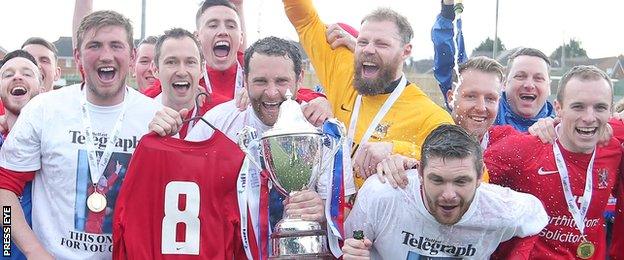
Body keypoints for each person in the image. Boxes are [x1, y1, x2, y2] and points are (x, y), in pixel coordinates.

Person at [149, 36, 355, 259]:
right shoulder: (218, 122)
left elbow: (348, 217)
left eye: (282, 81)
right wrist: (161, 139)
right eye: (260, 81)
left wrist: (324, 210)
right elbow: (180, 185)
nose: (272, 92)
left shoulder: (323, 132)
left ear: (299, 79)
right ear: (245, 81)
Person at [0, 10, 160, 259]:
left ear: (131, 57)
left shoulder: (155, 116)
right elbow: (5, 189)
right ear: (78, 57)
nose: (106, 55)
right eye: (94, 45)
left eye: (115, 45)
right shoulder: (45, 109)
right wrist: (30, 251)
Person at [282, 0, 453, 186]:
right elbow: (304, 19)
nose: (369, 50)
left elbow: (469, 170)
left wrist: (398, 150)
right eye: (363, 42)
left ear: (406, 51)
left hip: (379, 214)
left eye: (382, 44)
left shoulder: (429, 115)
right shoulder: (344, 72)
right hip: (328, 211)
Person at [342, 124, 548, 259]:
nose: (449, 194)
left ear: (480, 177)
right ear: (420, 172)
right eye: (437, 180)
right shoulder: (383, 194)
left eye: (461, 181)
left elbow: (537, 214)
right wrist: (352, 254)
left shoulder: (500, 207)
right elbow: (352, 245)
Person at [485, 65, 621, 259]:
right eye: (578, 106)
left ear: (610, 111)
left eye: (600, 107)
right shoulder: (524, 148)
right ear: (558, 108)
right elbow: (467, 177)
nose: (589, 117)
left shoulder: (614, 149)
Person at [0, 50, 42, 260]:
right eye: (7, 74)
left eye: (27, 73)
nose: (17, 76)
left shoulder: (58, 141)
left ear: (42, 87)